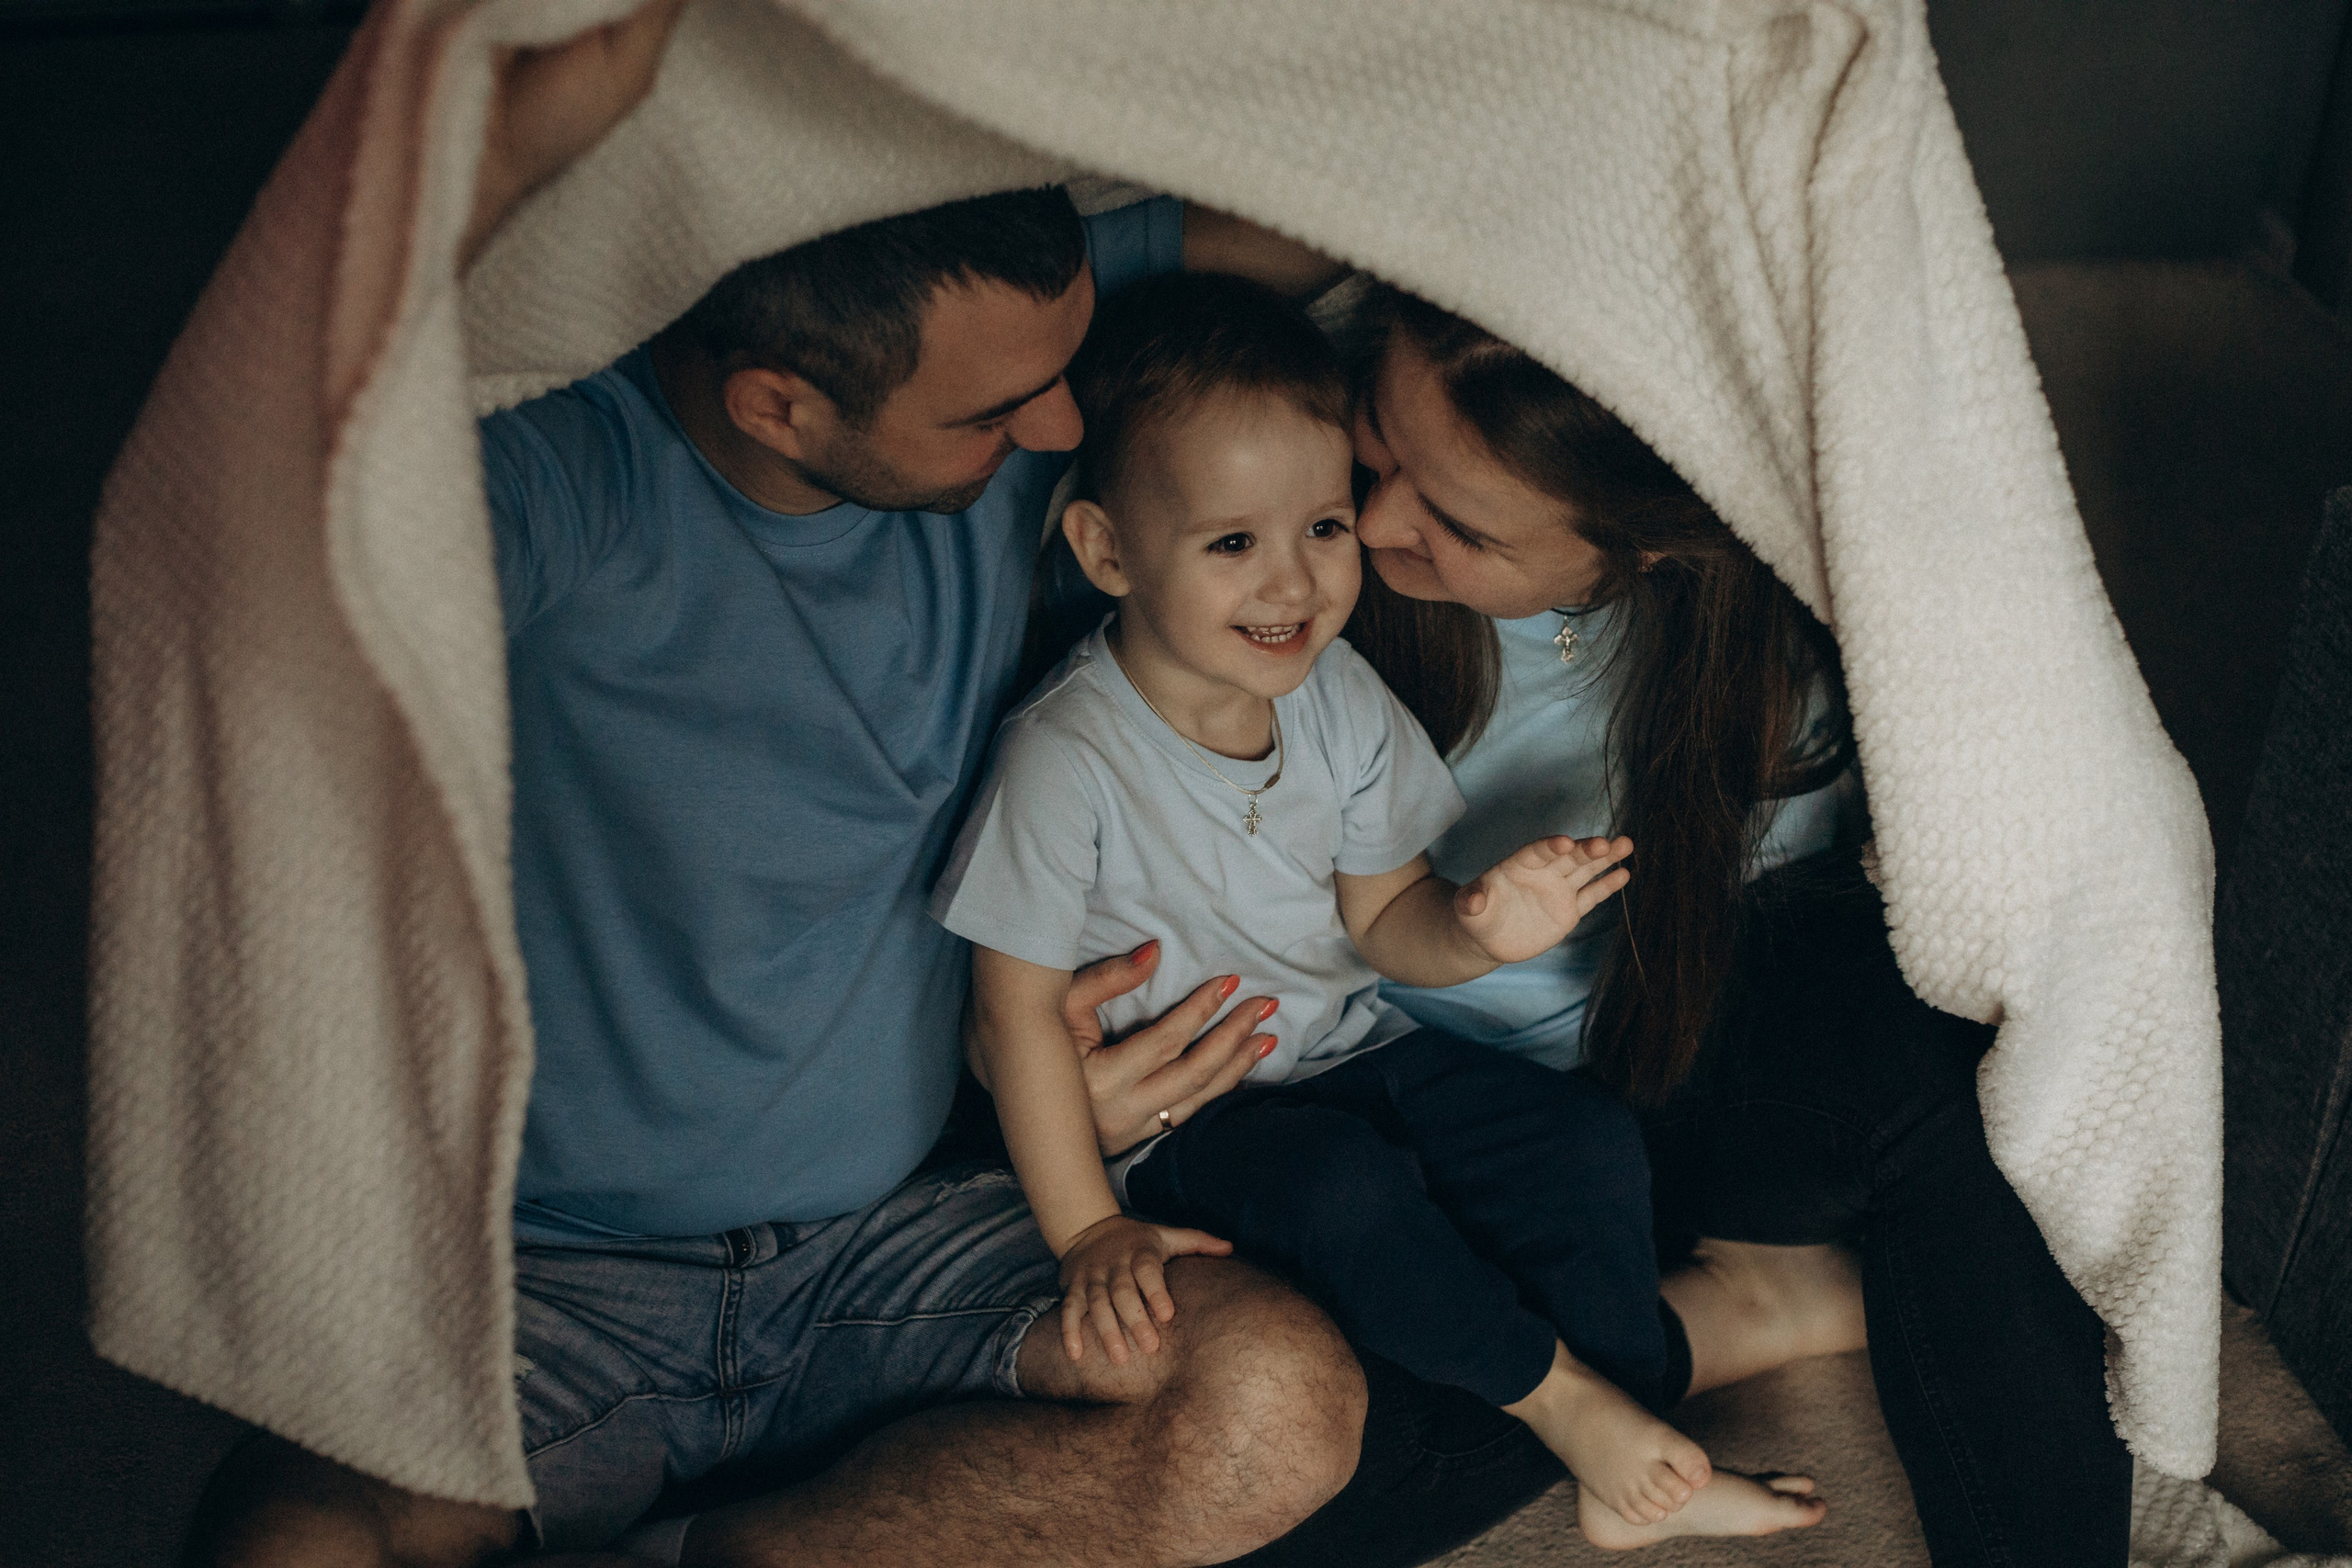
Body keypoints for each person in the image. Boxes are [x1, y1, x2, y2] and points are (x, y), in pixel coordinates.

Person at [186, 17, 1869, 1566]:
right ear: (783, 402)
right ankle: (1684, 1342)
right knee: (293, 1541)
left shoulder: (1045, 372)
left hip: (913, 1239)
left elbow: (1338, 214)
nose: (1072, 416)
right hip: (567, 1268)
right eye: (1003, 414)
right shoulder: (569, 480)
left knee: (1289, 1400)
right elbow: (273, 492)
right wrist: (503, 139)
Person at [933, 271, 1832, 1551]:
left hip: (1354, 1054)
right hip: (1200, 1122)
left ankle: (1619, 1452)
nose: (1292, 584)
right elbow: (1014, 1010)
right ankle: (1576, 1408)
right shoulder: (1066, 759)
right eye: (1232, 544)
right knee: (1348, 1192)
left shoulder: (1335, 695)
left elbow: (1383, 916)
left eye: (1324, 530)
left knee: (1582, 1148)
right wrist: (1088, 1229)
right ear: (1108, 552)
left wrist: (1474, 929)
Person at [1329, 283, 2134, 1567]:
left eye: (1460, 527)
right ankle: (1742, 1309)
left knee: (1974, 1083)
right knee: (1291, 1455)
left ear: (1644, 548)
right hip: (1407, 1101)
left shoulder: (1768, 619)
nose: (1371, 523)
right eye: (1377, 440)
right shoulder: (1296, 554)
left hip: (1666, 1046)